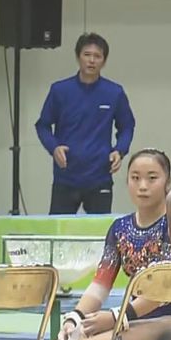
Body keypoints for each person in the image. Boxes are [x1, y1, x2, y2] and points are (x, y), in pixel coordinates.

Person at [46, 149, 171, 340]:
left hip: (170, 320)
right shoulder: (120, 229)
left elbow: (163, 290)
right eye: (135, 178)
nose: (143, 186)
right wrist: (75, 317)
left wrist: (116, 317)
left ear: (167, 182)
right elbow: (100, 285)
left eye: (152, 178)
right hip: (130, 319)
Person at [37, 33, 136, 215]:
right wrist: (54, 147)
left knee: (99, 235)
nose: (91, 60)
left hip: (99, 176)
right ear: (78, 57)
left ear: (104, 61)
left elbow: (127, 126)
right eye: (87, 54)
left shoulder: (114, 92)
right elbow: (42, 125)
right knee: (60, 236)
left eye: (97, 56)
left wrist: (120, 150)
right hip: (66, 176)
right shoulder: (60, 90)